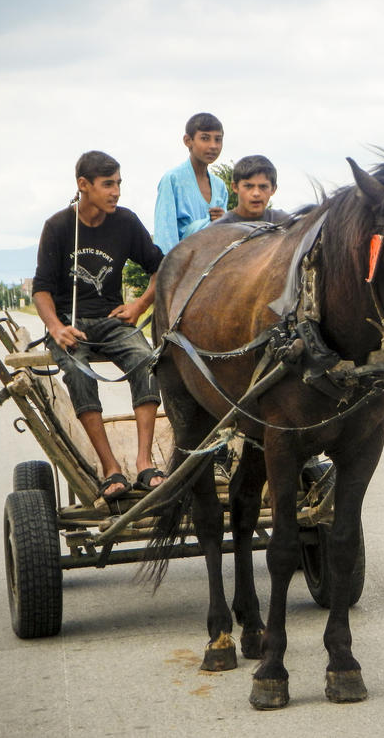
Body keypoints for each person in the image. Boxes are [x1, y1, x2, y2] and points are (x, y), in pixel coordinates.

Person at [33, 151, 166, 501]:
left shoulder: (125, 222)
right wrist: (56, 328)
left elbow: (160, 268)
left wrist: (139, 305)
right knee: (79, 374)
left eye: (119, 183)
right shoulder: (59, 227)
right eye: (108, 184)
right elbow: (41, 290)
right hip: (70, 324)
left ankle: (144, 462)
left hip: (112, 320)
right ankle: (111, 468)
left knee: (146, 360)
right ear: (83, 185)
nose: (116, 192)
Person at [153, 112, 228, 253]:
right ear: (188, 140)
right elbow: (165, 235)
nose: (213, 146)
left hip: (212, 266)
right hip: (182, 265)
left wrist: (222, 221)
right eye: (205, 138)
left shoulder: (220, 186)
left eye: (218, 139)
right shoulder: (173, 179)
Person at [211, 155, 290, 225]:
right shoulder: (220, 228)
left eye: (263, 187)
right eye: (248, 186)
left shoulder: (285, 223)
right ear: (235, 187)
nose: (256, 193)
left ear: (273, 189)